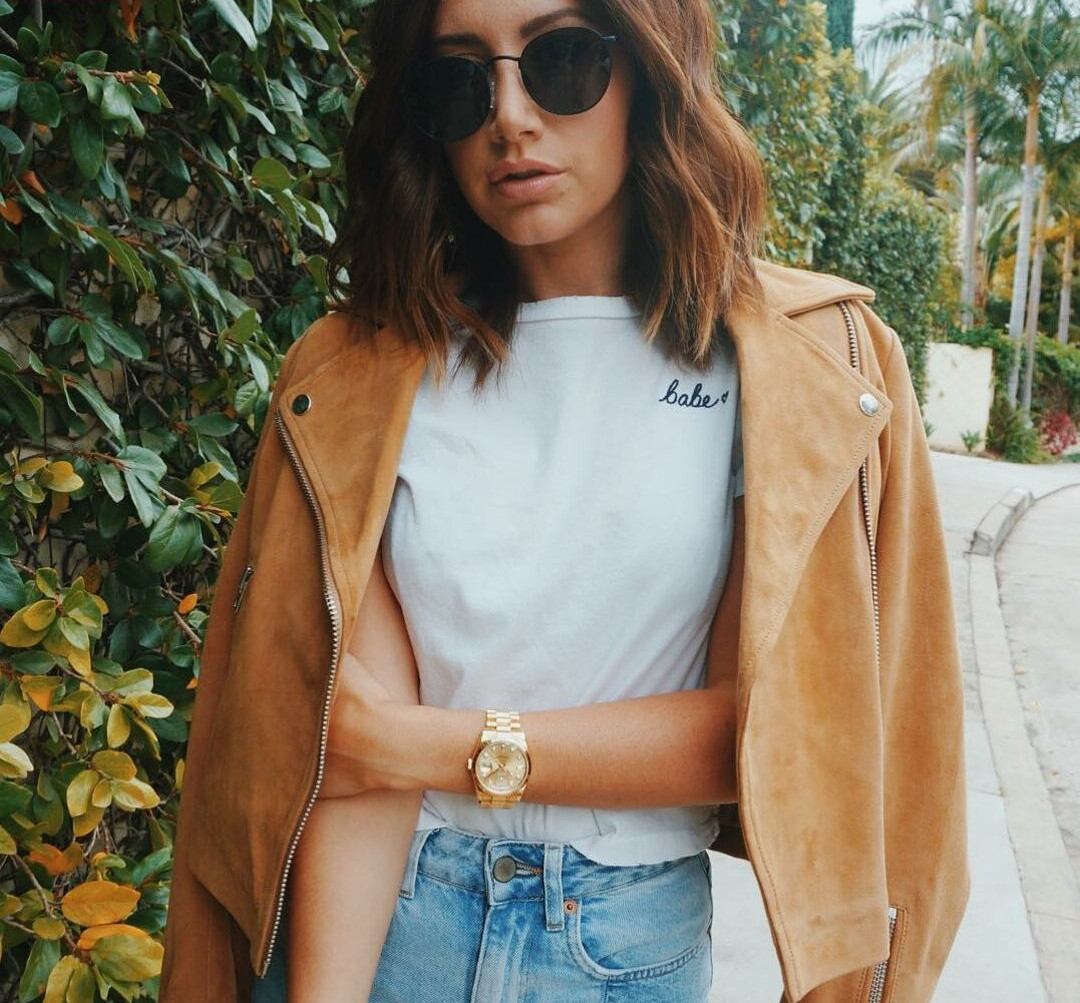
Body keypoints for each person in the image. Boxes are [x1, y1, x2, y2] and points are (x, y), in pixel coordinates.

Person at [158, 1, 970, 1001]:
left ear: (651, 73)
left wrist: (435, 745)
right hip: (384, 921)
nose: (510, 116)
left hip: (622, 948)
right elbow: (353, 764)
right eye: (462, 78)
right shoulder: (357, 374)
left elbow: (772, 731)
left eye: (564, 60)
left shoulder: (804, 365)